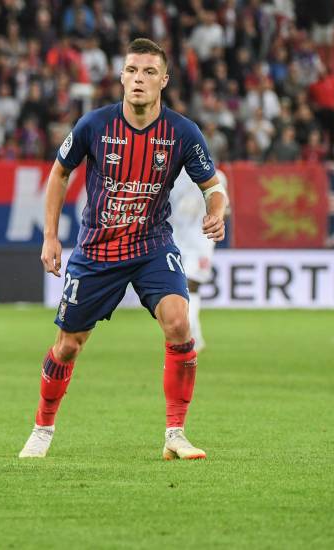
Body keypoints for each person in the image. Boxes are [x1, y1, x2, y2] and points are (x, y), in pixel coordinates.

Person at [18, 39, 228, 460]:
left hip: (152, 245)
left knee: (178, 322)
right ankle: (42, 427)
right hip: (97, 250)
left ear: (164, 81)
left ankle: (175, 433)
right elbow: (59, 174)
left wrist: (216, 212)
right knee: (69, 345)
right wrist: (50, 235)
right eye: (132, 70)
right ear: (121, 77)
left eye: (149, 72)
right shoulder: (94, 125)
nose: (139, 79)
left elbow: (213, 186)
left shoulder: (183, 132)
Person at [169, 168, 228, 351]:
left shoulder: (217, 175)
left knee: (191, 284)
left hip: (202, 241)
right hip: (176, 239)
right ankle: (194, 336)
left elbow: (224, 206)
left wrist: (214, 219)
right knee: (178, 288)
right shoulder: (172, 174)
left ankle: (191, 336)